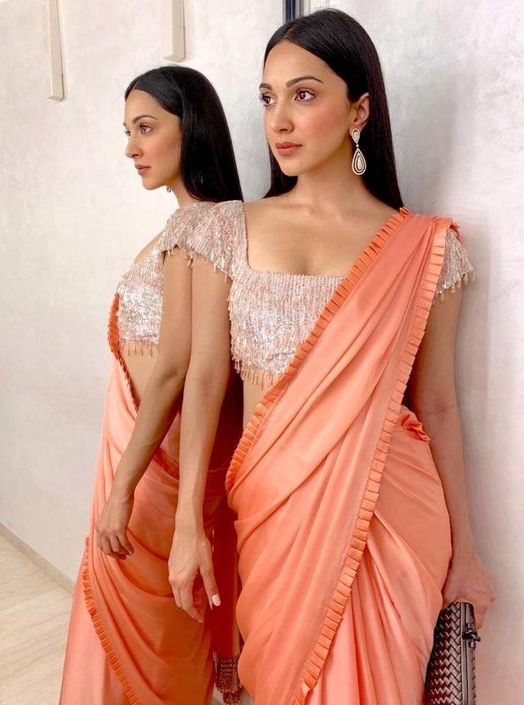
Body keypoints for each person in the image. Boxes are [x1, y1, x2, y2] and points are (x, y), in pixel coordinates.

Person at [163, 9, 496, 705]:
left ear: (360, 109)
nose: (279, 119)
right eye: (268, 98)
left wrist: (466, 551)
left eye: (304, 94)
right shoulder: (224, 229)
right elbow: (203, 379)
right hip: (271, 513)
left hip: (388, 519)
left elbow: (436, 404)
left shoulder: (427, 248)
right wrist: (188, 522)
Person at [59, 66, 244, 705]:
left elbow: (180, 369)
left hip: (160, 474)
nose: (131, 149)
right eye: (127, 131)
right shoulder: (185, 228)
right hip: (151, 458)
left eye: (146, 128)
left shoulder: (207, 225)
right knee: (129, 619)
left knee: (149, 628)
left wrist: (123, 491)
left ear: (190, 129)